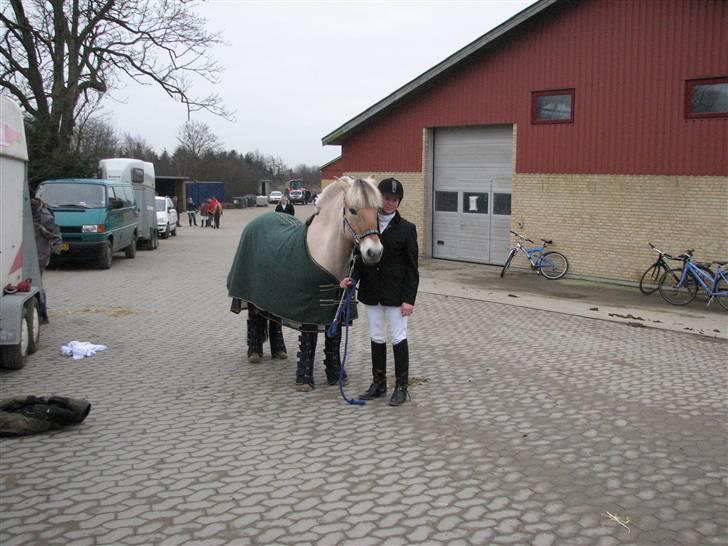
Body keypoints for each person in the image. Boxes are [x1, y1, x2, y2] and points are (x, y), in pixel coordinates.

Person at [341, 177, 419, 406]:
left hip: (396, 295)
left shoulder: (407, 229)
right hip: (372, 292)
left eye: (395, 199)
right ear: (378, 198)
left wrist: (409, 300)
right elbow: (359, 258)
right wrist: (352, 279)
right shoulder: (368, 223)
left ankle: (401, 387)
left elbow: (412, 269)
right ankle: (378, 383)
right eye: (386, 198)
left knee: (398, 338)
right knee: (376, 337)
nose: (390, 203)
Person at [30, 196, 62, 323]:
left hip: (39, 255)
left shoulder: (42, 214)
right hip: (36, 253)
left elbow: (55, 235)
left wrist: (56, 251)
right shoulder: (37, 210)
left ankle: (42, 314)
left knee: (36, 284)